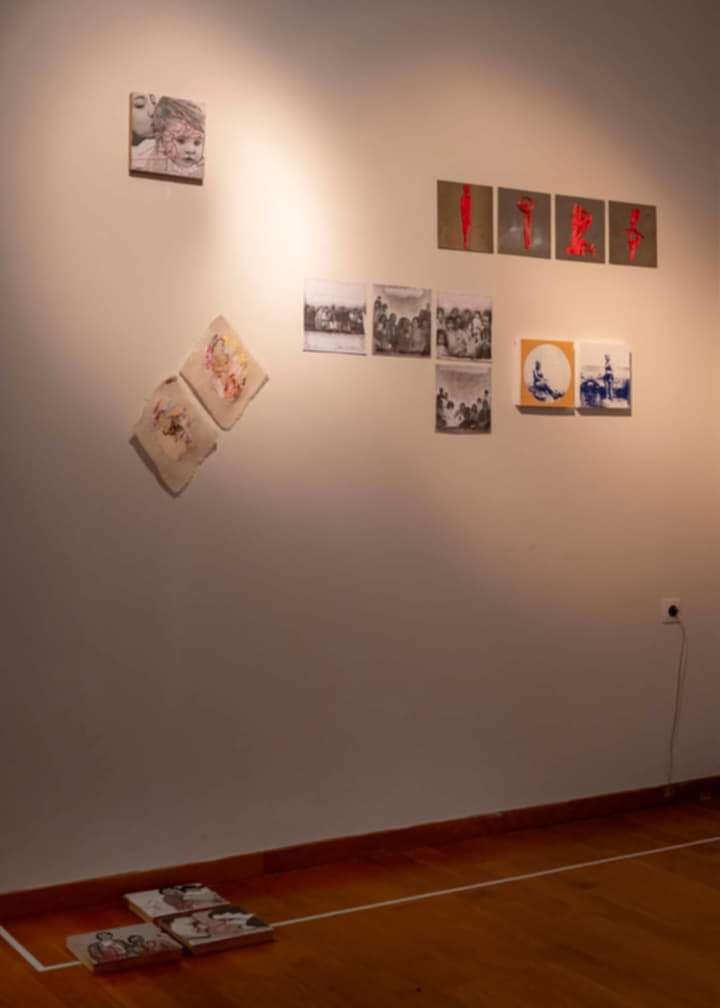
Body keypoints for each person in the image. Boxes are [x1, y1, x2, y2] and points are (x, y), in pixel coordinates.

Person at [131, 96, 205, 178]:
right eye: (181, 141)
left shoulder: (202, 166)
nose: (191, 150)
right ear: (161, 140)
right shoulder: (152, 157)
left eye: (197, 143)